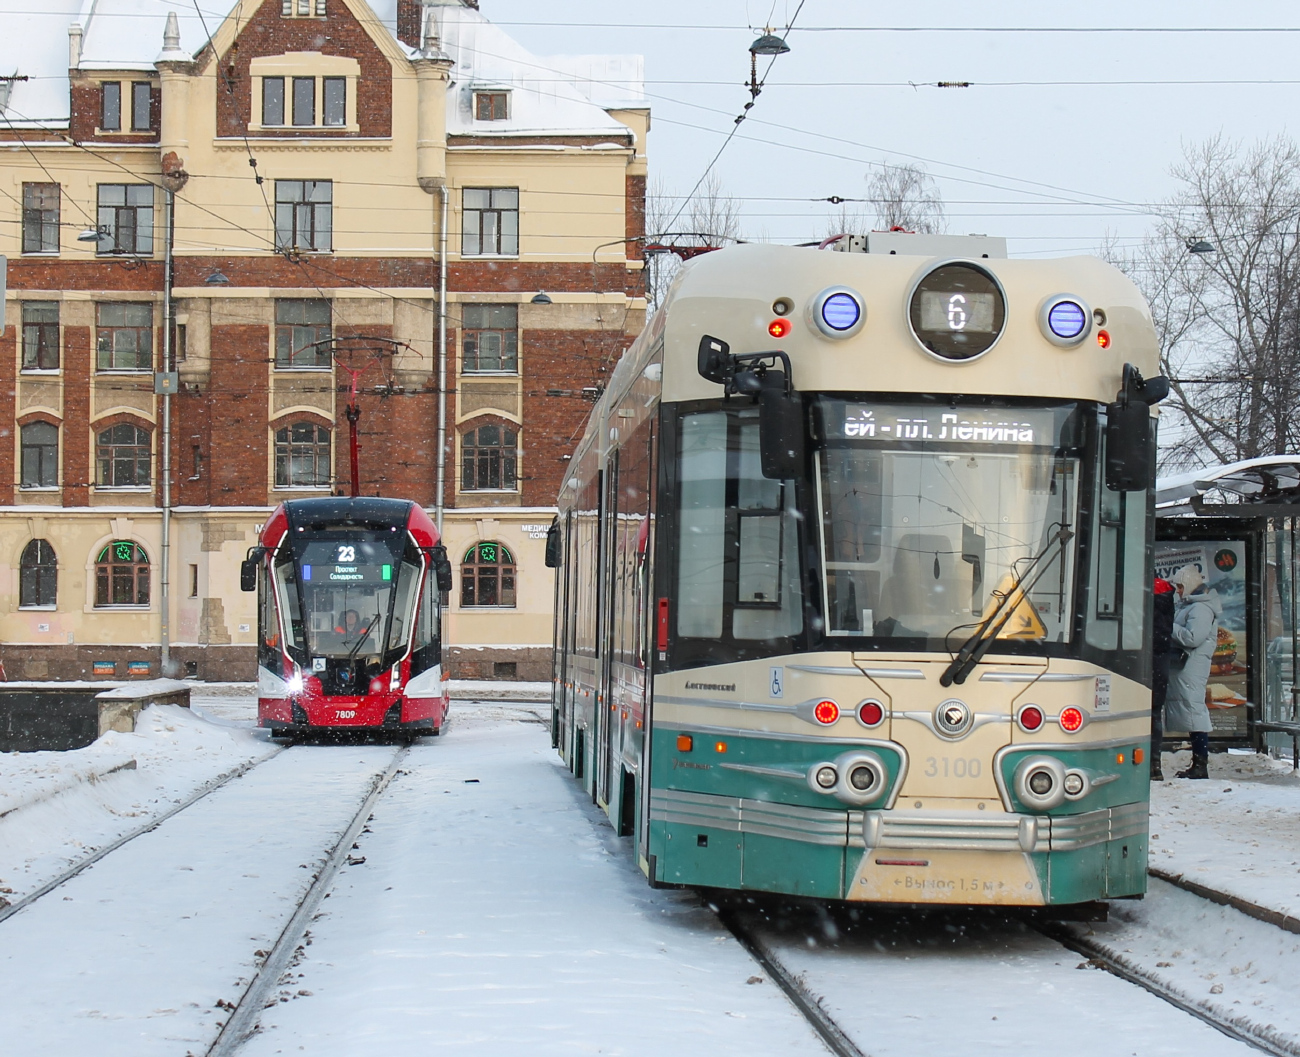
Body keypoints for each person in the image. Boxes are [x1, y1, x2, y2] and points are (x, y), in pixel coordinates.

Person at [1166, 564, 1219, 779]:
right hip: (1187, 665)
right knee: (1191, 711)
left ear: (1188, 585)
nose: (1178, 591)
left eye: (1180, 586)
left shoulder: (1201, 608)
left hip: (1191, 665)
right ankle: (1198, 763)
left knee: (1194, 711)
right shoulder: (1192, 605)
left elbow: (1193, 638)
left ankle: (1200, 765)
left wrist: (1167, 625)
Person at [1150, 576, 1176, 781]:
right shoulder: (1168, 598)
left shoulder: (1143, 599)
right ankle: (1155, 763)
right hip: (1161, 662)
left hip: (1143, 661)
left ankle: (1144, 762)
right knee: (1155, 713)